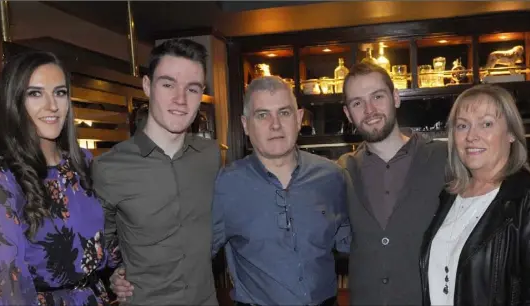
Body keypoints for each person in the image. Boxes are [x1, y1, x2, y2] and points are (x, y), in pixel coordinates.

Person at [0, 50, 119, 305]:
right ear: (14, 102)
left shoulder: (83, 163)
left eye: (59, 92)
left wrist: (120, 272)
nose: (52, 105)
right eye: (35, 93)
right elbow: (9, 292)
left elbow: (105, 244)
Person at [92, 38, 222, 305]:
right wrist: (115, 273)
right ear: (147, 85)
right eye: (168, 84)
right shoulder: (109, 167)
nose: (180, 100)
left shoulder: (211, 156)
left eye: (193, 89)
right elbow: (99, 246)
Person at [419, 84, 530, 305]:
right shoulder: (449, 195)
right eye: (462, 126)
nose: (471, 136)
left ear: (511, 134)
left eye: (486, 124)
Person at [211, 75, 351, 305]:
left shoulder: (331, 176)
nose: (275, 125)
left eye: (284, 113)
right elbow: (194, 254)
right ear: (246, 125)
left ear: (298, 119)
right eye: (263, 115)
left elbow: (356, 242)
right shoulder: (226, 184)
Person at [336, 62, 448, 305]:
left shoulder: (444, 158)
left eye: (377, 96)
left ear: (396, 98)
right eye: (357, 103)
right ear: (348, 114)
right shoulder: (342, 171)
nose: (369, 109)